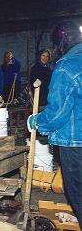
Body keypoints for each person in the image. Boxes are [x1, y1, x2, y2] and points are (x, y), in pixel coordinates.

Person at [27, 43, 82, 227]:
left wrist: (37, 121)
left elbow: (58, 114)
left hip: (76, 142)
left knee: (79, 194)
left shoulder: (67, 66)